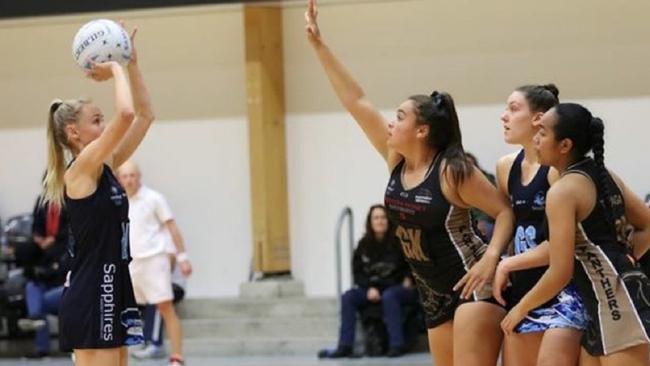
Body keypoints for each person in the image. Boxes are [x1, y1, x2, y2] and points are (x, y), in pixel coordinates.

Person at [305, 1, 515, 365]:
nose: (391, 122)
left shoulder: (454, 170)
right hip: (432, 291)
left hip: (472, 282)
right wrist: (320, 47)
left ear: (421, 130)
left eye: (399, 116)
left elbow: (505, 212)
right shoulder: (396, 160)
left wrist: (492, 259)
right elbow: (356, 101)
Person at [501, 103, 650, 365]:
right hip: (607, 302)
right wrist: (622, 259)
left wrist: (520, 308)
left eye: (543, 133)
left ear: (565, 145)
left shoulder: (563, 191)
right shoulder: (603, 175)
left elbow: (560, 272)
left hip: (617, 307)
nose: (536, 138)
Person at [42, 23, 153, 366]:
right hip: (94, 291)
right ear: (74, 132)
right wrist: (115, 66)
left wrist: (131, 63)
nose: (105, 128)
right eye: (96, 120)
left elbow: (145, 115)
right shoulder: (81, 168)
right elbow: (126, 113)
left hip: (112, 284)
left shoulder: (104, 164)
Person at [491, 85, 587, 366]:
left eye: (513, 108)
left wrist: (507, 264)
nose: (504, 117)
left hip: (563, 291)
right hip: (524, 288)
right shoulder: (505, 166)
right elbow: (509, 223)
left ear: (538, 119)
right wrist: (495, 258)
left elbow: (564, 249)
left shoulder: (558, 173)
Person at [117, 160, 192, 366]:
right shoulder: (119, 201)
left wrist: (182, 257)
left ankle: (177, 357)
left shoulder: (154, 198)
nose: (129, 179)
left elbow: (172, 227)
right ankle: (120, 359)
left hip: (154, 260)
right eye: (125, 176)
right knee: (120, 311)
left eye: (133, 175)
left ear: (139, 177)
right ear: (119, 179)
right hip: (130, 264)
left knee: (165, 307)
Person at [318, 204, 417, 358]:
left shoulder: (400, 242)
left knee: (390, 296)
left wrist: (409, 278)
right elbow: (357, 272)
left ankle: (396, 345)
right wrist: (369, 287)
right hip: (372, 289)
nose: (380, 221)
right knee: (348, 297)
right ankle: (345, 346)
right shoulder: (363, 245)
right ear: (370, 222)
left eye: (383, 217)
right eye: (376, 218)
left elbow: (413, 265)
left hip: (396, 288)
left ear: (389, 220)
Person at [18, 194, 69, 358]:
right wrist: (39, 240)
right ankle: (41, 346)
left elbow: (64, 269)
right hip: (46, 283)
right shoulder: (36, 246)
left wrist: (54, 240)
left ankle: (35, 316)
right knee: (31, 287)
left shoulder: (70, 242)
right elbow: (31, 271)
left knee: (40, 301)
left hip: (65, 286)